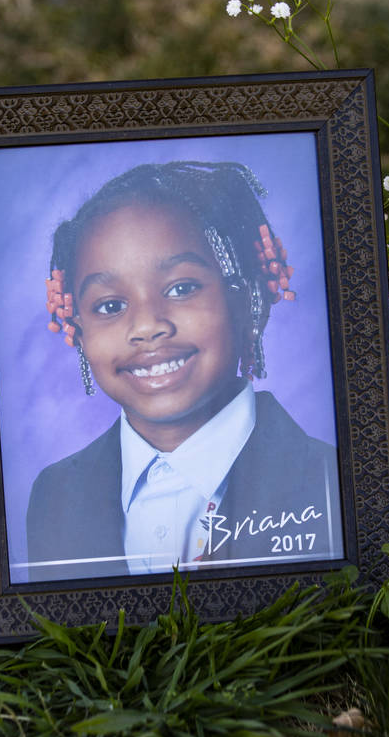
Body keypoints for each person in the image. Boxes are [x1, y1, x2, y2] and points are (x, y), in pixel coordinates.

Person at [26, 161, 341, 582]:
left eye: (181, 288)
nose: (147, 326)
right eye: (109, 306)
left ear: (243, 296)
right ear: (77, 329)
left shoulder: (329, 480)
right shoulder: (54, 497)